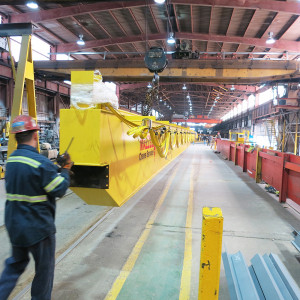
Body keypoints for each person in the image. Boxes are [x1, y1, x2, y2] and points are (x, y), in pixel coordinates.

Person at [0, 115, 73, 300]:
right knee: (44, 271)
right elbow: (58, 189)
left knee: (15, 265)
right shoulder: (42, 163)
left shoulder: (11, 162)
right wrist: (65, 169)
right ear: (35, 135)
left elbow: (30, 180)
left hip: (15, 226)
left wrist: (53, 168)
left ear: (17, 137)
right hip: (38, 229)